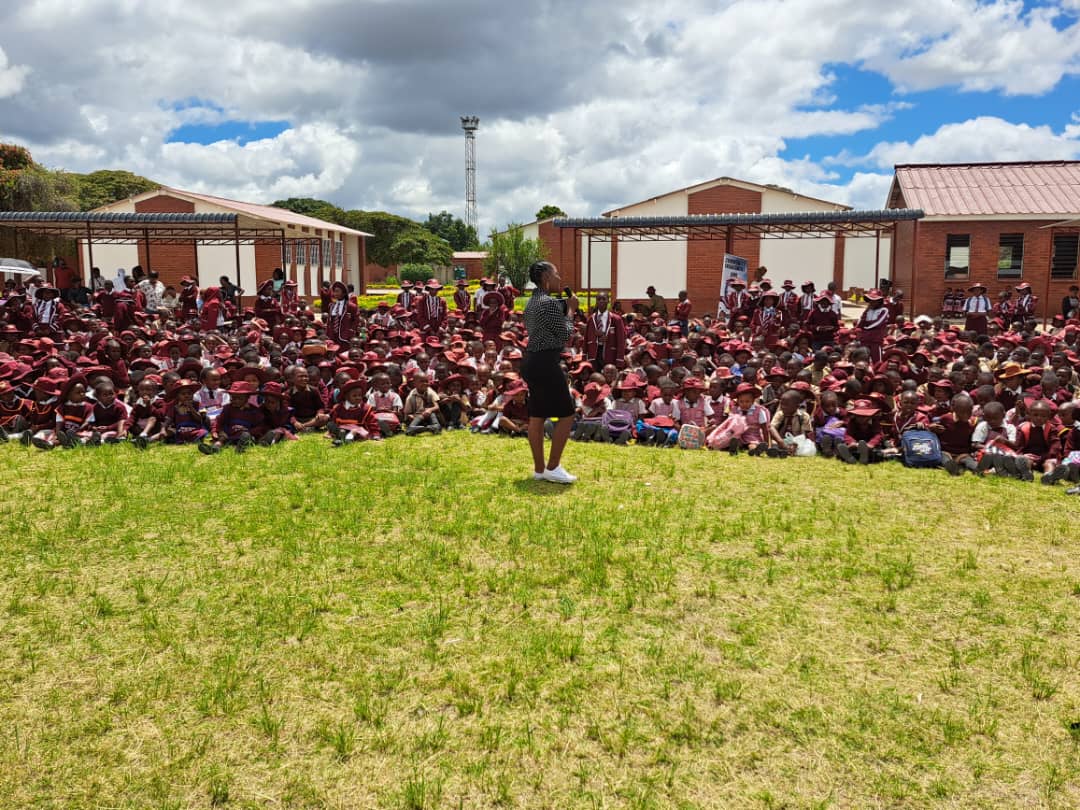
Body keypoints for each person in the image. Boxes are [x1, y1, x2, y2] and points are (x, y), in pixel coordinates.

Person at [520, 261, 578, 483]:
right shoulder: (548, 303)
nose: (559, 279)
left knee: (537, 415)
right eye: (556, 274)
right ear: (545, 277)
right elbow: (565, 334)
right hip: (545, 362)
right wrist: (571, 309)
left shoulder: (532, 303)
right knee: (567, 413)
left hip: (531, 361)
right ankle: (553, 468)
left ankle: (539, 469)